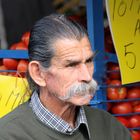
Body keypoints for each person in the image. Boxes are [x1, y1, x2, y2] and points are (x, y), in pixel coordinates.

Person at [0, 14, 132, 140]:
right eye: (71, 65)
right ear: (38, 73)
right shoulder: (9, 135)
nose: (86, 76)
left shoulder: (110, 128)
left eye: (89, 61)